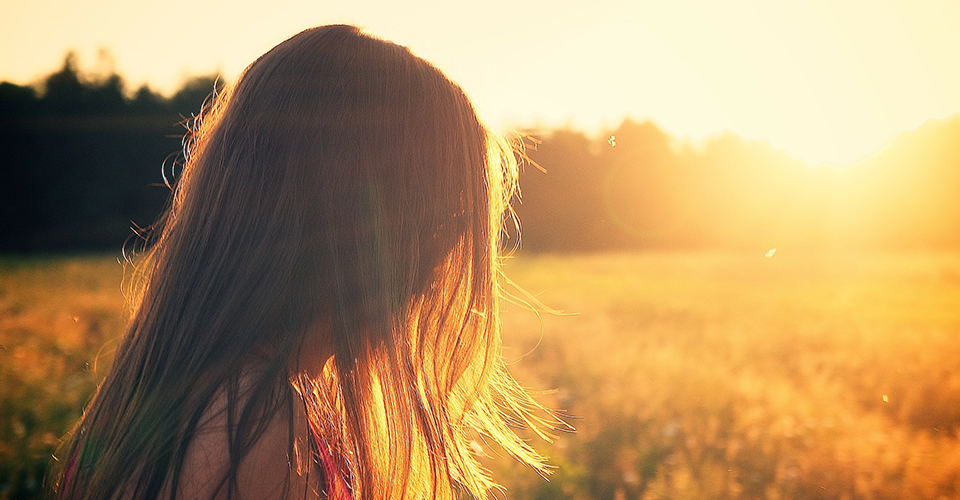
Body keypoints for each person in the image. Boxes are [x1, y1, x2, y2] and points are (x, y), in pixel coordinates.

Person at [50, 24, 559, 500]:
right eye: (443, 225)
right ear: (367, 231)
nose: (436, 274)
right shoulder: (250, 426)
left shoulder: (167, 394)